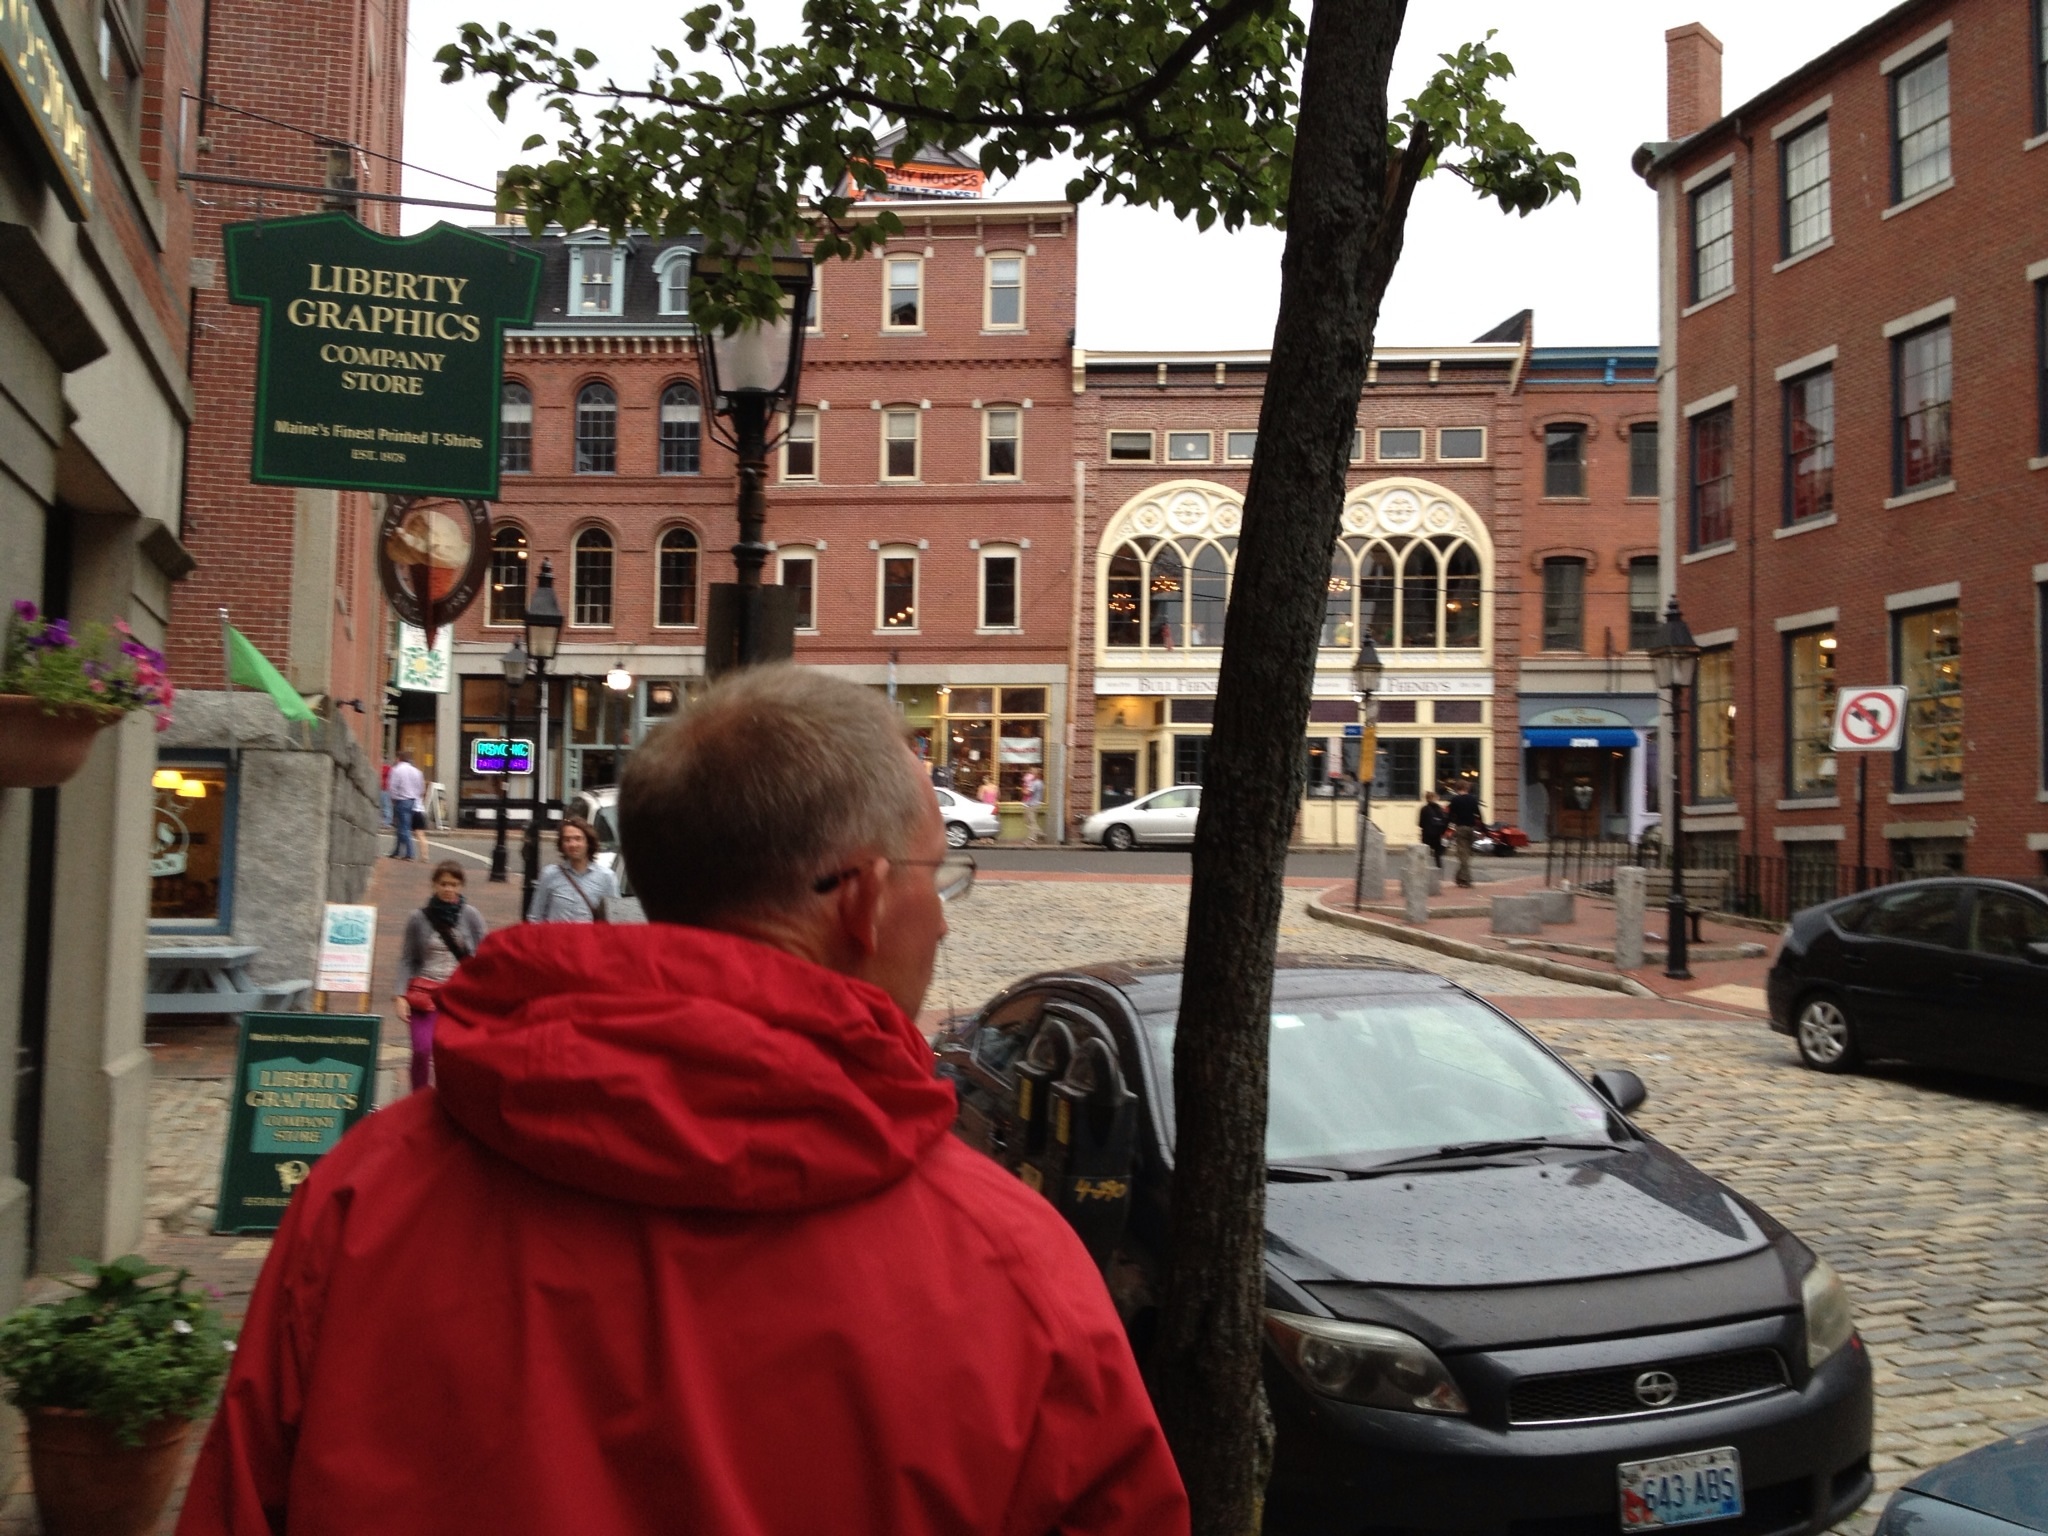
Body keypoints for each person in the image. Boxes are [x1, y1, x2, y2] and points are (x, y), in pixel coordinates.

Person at [180, 665, 1187, 1535]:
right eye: (939, 876)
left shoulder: (362, 1200)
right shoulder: (1013, 1272)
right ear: (863, 898)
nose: (945, 920)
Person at [393, 860, 487, 1093]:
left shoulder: (471, 915)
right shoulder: (418, 918)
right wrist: (400, 995)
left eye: (454, 884)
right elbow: (407, 958)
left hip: (458, 995)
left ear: (461, 886)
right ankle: (418, 1095)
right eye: (443, 884)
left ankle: (451, 1097)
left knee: (456, 1051)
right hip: (425, 993)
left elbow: (485, 951)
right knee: (422, 1049)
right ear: (434, 885)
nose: (448, 889)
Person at [526, 814, 620, 923]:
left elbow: (615, 920)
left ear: (588, 842)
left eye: (578, 839)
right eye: (567, 840)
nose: (573, 844)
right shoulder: (549, 875)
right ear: (562, 845)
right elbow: (535, 917)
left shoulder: (607, 878)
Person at [1446, 778, 1488, 888]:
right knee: (1467, 854)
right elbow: (1478, 815)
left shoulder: (1455, 800)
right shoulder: (1473, 799)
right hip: (1471, 828)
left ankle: (1466, 879)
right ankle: (1460, 878)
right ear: (1466, 788)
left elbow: (1450, 816)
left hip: (1460, 828)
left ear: (1457, 788)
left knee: (1462, 854)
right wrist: (1483, 830)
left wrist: (1446, 829)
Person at [387, 750, 425, 861]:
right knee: (402, 827)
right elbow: (421, 788)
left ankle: (410, 853)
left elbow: (393, 786)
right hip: (412, 800)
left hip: (401, 800)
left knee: (403, 827)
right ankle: (397, 851)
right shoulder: (417, 772)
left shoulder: (396, 770)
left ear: (399, 758)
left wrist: (393, 798)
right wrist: (415, 796)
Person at [1418, 790, 1449, 869]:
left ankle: (1422, 867)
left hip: (1427, 833)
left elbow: (1420, 823)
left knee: (1425, 852)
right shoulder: (1440, 809)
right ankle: (1439, 868)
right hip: (1437, 834)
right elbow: (1445, 821)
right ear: (1435, 798)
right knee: (1438, 853)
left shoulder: (1424, 809)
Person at [1020, 767, 1045, 844]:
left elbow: (1028, 793)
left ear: (1036, 774)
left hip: (1031, 805)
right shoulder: (1040, 782)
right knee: (1028, 821)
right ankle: (1039, 832)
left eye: (1032, 773)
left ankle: (1032, 839)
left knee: (1031, 822)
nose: (1030, 775)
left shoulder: (1035, 783)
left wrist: (1023, 789)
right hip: (1035, 804)